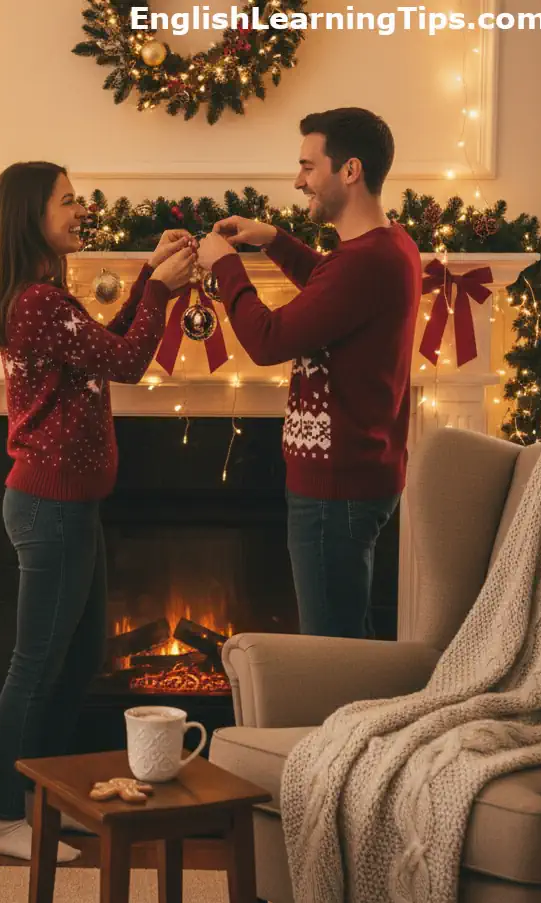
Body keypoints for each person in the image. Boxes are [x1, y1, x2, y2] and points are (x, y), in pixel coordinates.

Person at [0, 161, 196, 861]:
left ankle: (45, 798)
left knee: (77, 660)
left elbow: (107, 348)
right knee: (36, 666)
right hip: (51, 508)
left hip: (70, 507)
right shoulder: (38, 303)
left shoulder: (49, 298)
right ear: (31, 216)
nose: (81, 209)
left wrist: (147, 279)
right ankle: (4, 815)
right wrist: (159, 289)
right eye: (68, 201)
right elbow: (130, 362)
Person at [196, 107, 422, 639]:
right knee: (347, 645)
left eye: (307, 166)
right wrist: (272, 239)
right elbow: (331, 289)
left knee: (330, 658)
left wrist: (225, 265)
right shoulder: (387, 247)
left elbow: (268, 339)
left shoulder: (366, 261)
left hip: (334, 492)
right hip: (353, 482)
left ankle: (339, 728)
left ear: (350, 170)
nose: (298, 182)